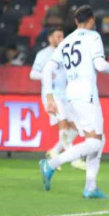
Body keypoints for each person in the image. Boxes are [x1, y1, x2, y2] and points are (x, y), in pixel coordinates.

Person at [39, 6, 109, 199]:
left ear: (75, 21)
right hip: (86, 93)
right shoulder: (93, 36)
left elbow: (47, 69)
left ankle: (90, 186)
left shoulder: (66, 41)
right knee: (95, 142)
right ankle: (52, 164)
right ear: (91, 20)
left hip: (70, 93)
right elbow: (99, 65)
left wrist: (49, 98)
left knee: (99, 139)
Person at [30, 27, 86, 172]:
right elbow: (33, 74)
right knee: (63, 124)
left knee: (76, 127)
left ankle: (54, 152)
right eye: (58, 36)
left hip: (65, 95)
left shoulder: (66, 53)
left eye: (62, 36)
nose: (61, 39)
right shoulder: (43, 54)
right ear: (50, 38)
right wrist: (46, 75)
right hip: (51, 96)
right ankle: (74, 159)